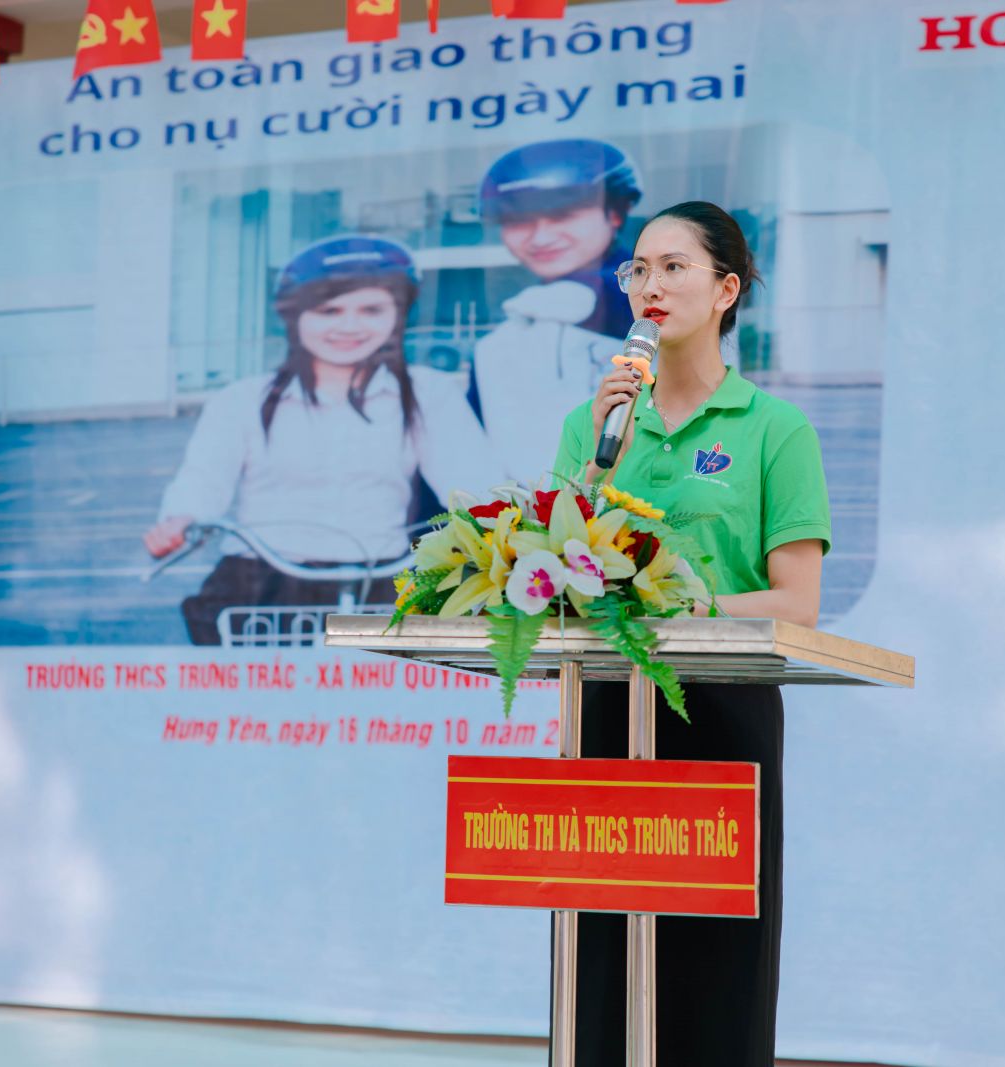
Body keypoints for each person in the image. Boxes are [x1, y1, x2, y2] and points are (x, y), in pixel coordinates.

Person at [550, 202, 831, 1065]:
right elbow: (553, 572)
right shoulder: (592, 424)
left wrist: (689, 612)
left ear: (726, 290)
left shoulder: (773, 428)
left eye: (675, 266)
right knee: (598, 954)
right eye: (638, 268)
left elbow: (798, 602)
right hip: (605, 709)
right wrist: (597, 462)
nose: (652, 284)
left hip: (721, 712)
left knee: (715, 963)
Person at [143, 235, 503, 645]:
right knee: (245, 681)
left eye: (371, 310)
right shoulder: (242, 399)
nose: (349, 326)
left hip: (381, 575)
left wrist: (505, 527)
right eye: (329, 310)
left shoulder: (428, 393)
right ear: (295, 315)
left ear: (398, 314)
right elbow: (204, 479)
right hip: (261, 580)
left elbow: (472, 477)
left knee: (390, 681)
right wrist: (180, 521)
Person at [470, 137, 643, 485]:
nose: (540, 237)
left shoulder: (653, 300)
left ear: (616, 212)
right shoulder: (499, 342)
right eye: (518, 220)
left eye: (563, 215)